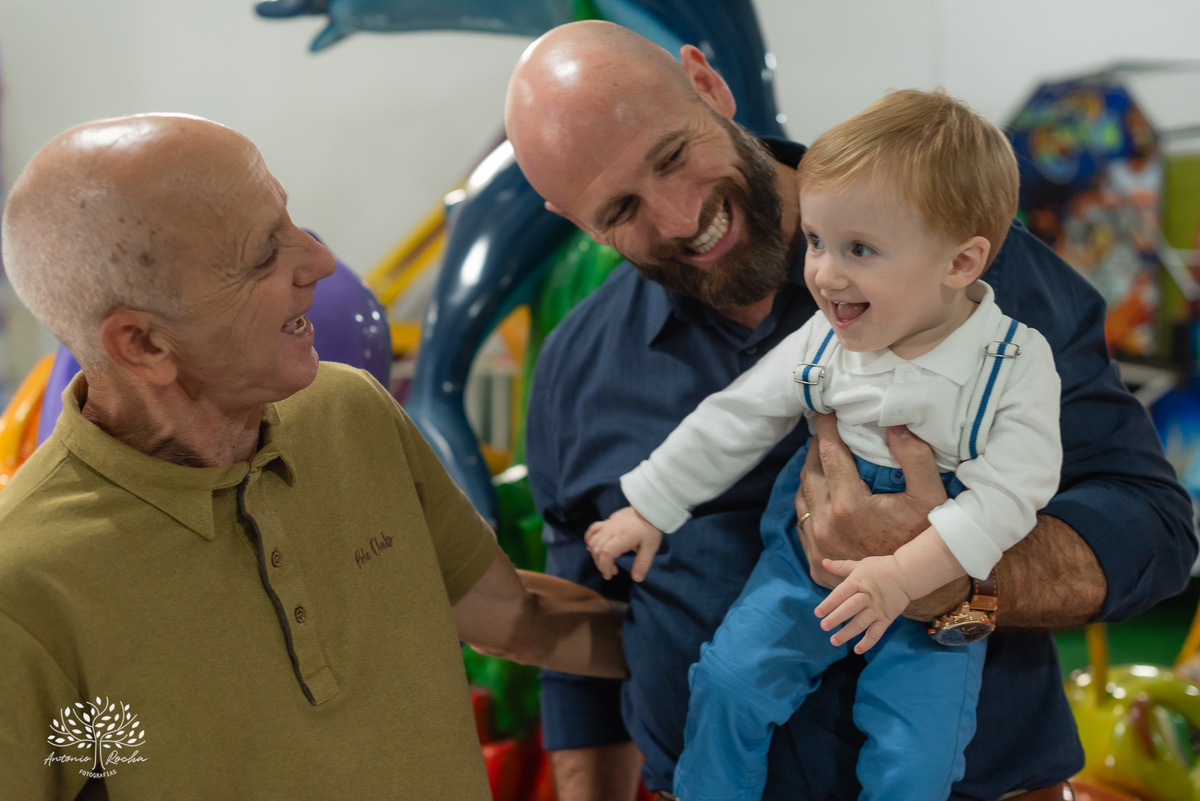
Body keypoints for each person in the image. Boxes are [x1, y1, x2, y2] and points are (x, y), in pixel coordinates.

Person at [505, 20, 1196, 801]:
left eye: (671, 156)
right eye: (620, 209)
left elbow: (1153, 526)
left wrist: (953, 572)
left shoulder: (967, 276)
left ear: (707, 83)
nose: (676, 217)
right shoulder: (574, 368)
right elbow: (591, 658)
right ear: (569, 217)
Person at [0, 113, 626, 801]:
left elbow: (515, 618)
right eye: (263, 254)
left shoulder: (350, 412)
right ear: (143, 344)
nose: (320, 263)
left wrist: (722, 648)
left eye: (290, 219)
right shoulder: (24, 588)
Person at [584, 88, 1062, 800]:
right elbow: (738, 413)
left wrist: (905, 576)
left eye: (859, 249)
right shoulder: (827, 342)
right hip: (806, 563)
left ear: (960, 263)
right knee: (730, 679)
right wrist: (651, 504)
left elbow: (1011, 493)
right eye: (814, 241)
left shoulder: (1010, 362)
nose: (824, 274)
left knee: (916, 753)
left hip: (938, 566)